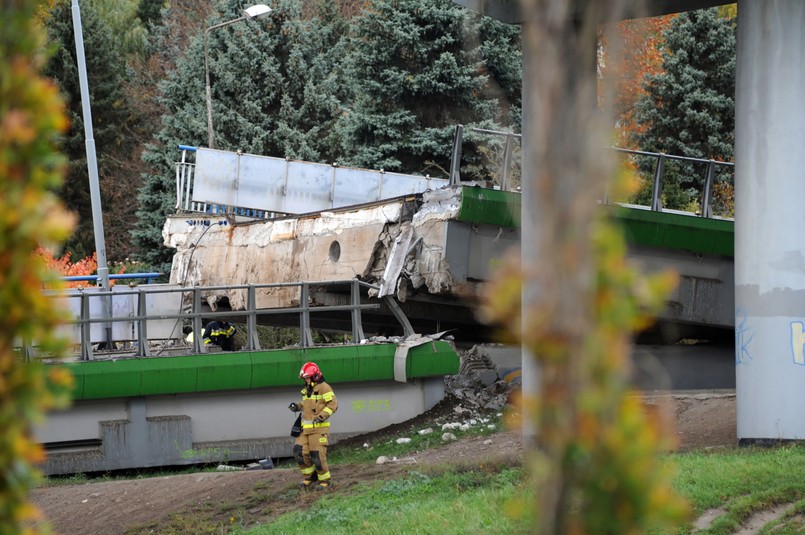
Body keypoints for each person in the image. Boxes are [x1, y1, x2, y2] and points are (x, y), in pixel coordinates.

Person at [289, 361, 338, 490]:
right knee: (299, 452)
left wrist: (322, 416)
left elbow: (333, 405)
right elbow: (305, 404)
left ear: (315, 376)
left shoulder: (324, 388)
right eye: (304, 378)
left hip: (319, 429)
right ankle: (310, 477)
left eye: (307, 378)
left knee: (317, 454)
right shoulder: (307, 390)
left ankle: (325, 480)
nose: (305, 380)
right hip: (305, 429)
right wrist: (297, 406)